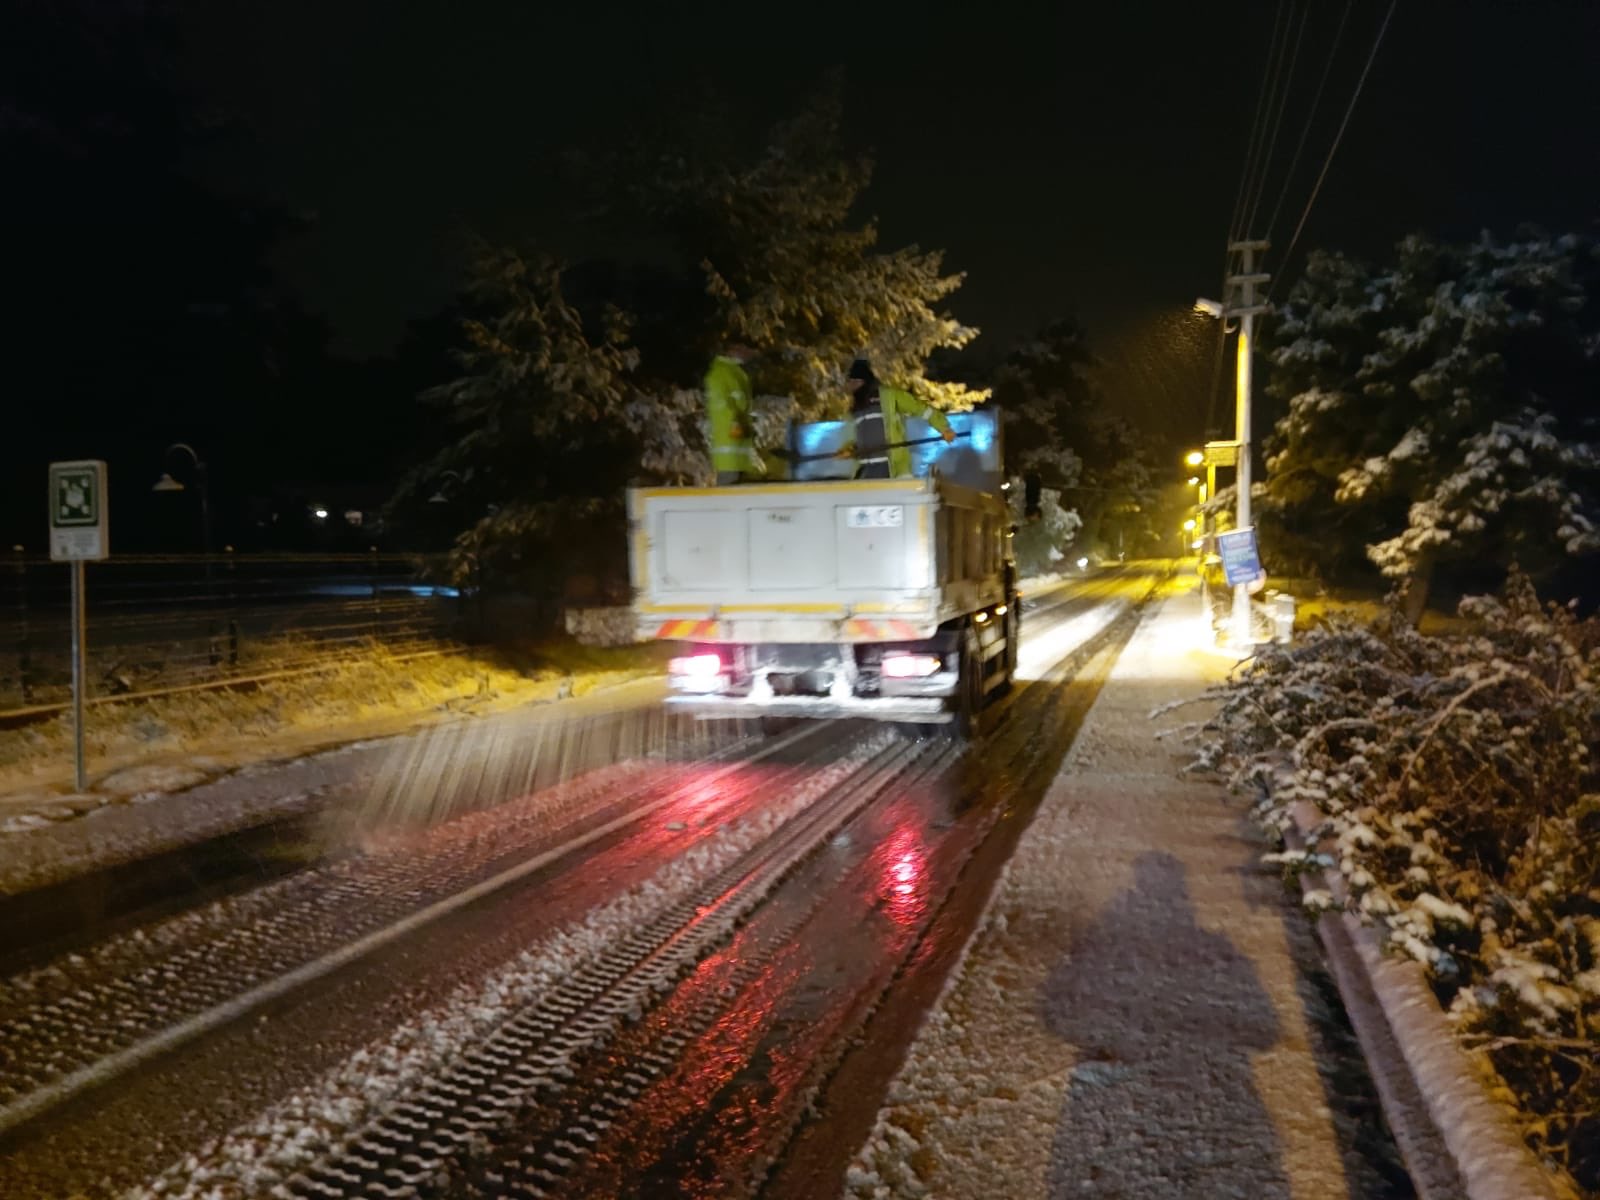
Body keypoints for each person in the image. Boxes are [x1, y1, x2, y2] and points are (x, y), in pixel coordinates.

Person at [842, 357, 955, 479]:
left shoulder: (889, 396)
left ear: (864, 382)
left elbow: (921, 409)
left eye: (854, 382)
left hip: (891, 467)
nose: (851, 386)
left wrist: (944, 428)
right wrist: (850, 449)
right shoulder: (857, 408)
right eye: (850, 382)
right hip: (866, 469)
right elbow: (858, 437)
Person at [704, 344, 766, 484]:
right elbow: (723, 412)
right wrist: (742, 428)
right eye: (748, 350)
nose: (750, 355)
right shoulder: (719, 374)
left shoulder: (736, 373)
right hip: (729, 456)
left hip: (739, 454)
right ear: (733, 348)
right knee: (728, 499)